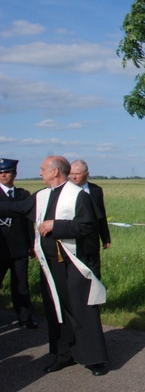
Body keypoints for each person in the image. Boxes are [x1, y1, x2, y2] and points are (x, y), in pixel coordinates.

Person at [0, 156, 109, 376]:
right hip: (50, 265)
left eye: (42, 169)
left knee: (82, 309)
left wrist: (55, 226)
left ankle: (94, 359)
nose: (40, 173)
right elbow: (17, 208)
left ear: (55, 172)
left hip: (73, 263)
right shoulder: (42, 195)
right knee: (55, 309)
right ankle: (63, 354)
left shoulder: (79, 195)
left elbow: (87, 226)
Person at [0, 158, 37, 329]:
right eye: (0, 173)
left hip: (20, 248)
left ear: (14, 174)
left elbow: (29, 223)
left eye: (6, 172)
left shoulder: (23, 195)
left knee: (21, 284)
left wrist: (32, 244)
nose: (3, 175)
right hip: (1, 248)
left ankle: (25, 317)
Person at [69, 159, 111, 278]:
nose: (73, 177)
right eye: (71, 174)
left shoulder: (96, 190)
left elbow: (101, 214)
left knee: (94, 273)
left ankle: (95, 296)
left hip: (91, 241)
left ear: (87, 174)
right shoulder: (65, 191)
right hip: (72, 241)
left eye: (77, 174)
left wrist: (105, 237)